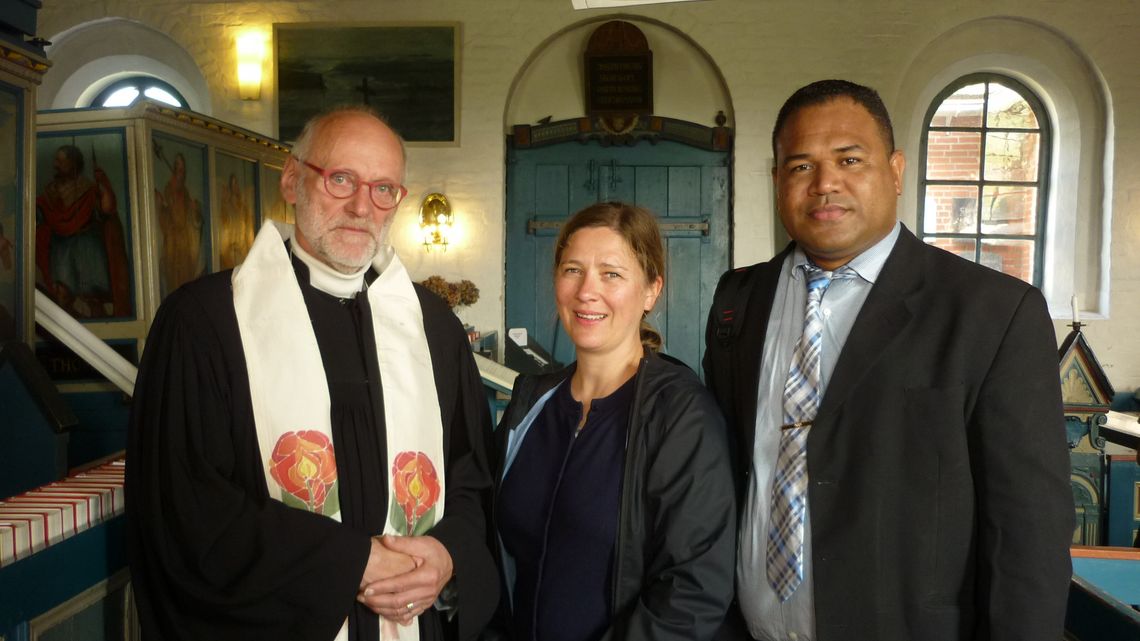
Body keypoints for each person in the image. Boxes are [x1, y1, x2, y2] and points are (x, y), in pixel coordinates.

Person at [703, 80, 1073, 641]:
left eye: (850, 160)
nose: (826, 184)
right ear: (777, 180)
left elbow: (1029, 532)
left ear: (896, 171)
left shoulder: (992, 314)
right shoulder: (738, 299)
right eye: (800, 166)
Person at [127, 105, 499, 641]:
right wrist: (350, 562)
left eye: (383, 189)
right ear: (292, 180)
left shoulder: (432, 325)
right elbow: (184, 506)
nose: (360, 206)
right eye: (341, 179)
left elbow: (471, 476)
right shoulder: (204, 322)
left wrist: (447, 554)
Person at [489, 202, 736, 641]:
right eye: (572, 270)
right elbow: (495, 551)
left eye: (612, 274)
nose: (587, 291)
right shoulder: (530, 402)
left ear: (651, 290)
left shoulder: (680, 414)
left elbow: (692, 590)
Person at [35, 144, 130, 318]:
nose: (56, 165)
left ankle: (96, 303)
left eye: (61, 161)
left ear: (73, 164)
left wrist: (103, 185)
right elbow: (40, 213)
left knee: (89, 245)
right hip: (61, 246)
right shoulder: (49, 193)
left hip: (87, 244)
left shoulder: (87, 189)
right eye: (56, 160)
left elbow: (107, 210)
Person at [154, 151, 205, 296]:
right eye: (178, 168)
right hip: (174, 244)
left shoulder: (186, 192)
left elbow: (192, 218)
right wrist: (162, 206)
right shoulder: (169, 189)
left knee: (186, 281)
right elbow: (166, 217)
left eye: (183, 170)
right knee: (174, 283)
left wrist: (195, 210)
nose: (180, 173)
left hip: (186, 245)